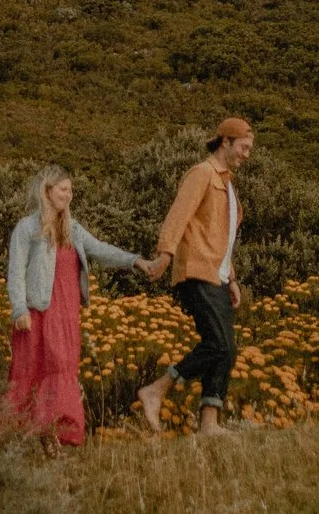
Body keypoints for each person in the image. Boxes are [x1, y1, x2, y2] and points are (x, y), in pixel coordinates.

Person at [0, 164, 167, 447]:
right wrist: (19, 308)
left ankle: (57, 434)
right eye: (63, 189)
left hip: (66, 315)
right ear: (48, 191)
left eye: (71, 190)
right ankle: (23, 437)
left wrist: (135, 261)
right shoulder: (27, 228)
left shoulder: (73, 229)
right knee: (31, 372)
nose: (69, 195)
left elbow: (100, 249)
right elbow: (15, 271)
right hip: (38, 313)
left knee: (63, 368)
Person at [137, 116, 253, 435]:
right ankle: (156, 390)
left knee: (226, 349)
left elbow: (224, 237)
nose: (247, 155)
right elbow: (178, 216)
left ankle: (209, 423)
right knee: (219, 345)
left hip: (218, 275)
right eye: (243, 148)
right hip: (196, 270)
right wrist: (165, 254)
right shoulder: (202, 173)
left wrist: (232, 278)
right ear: (226, 142)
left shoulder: (228, 184)